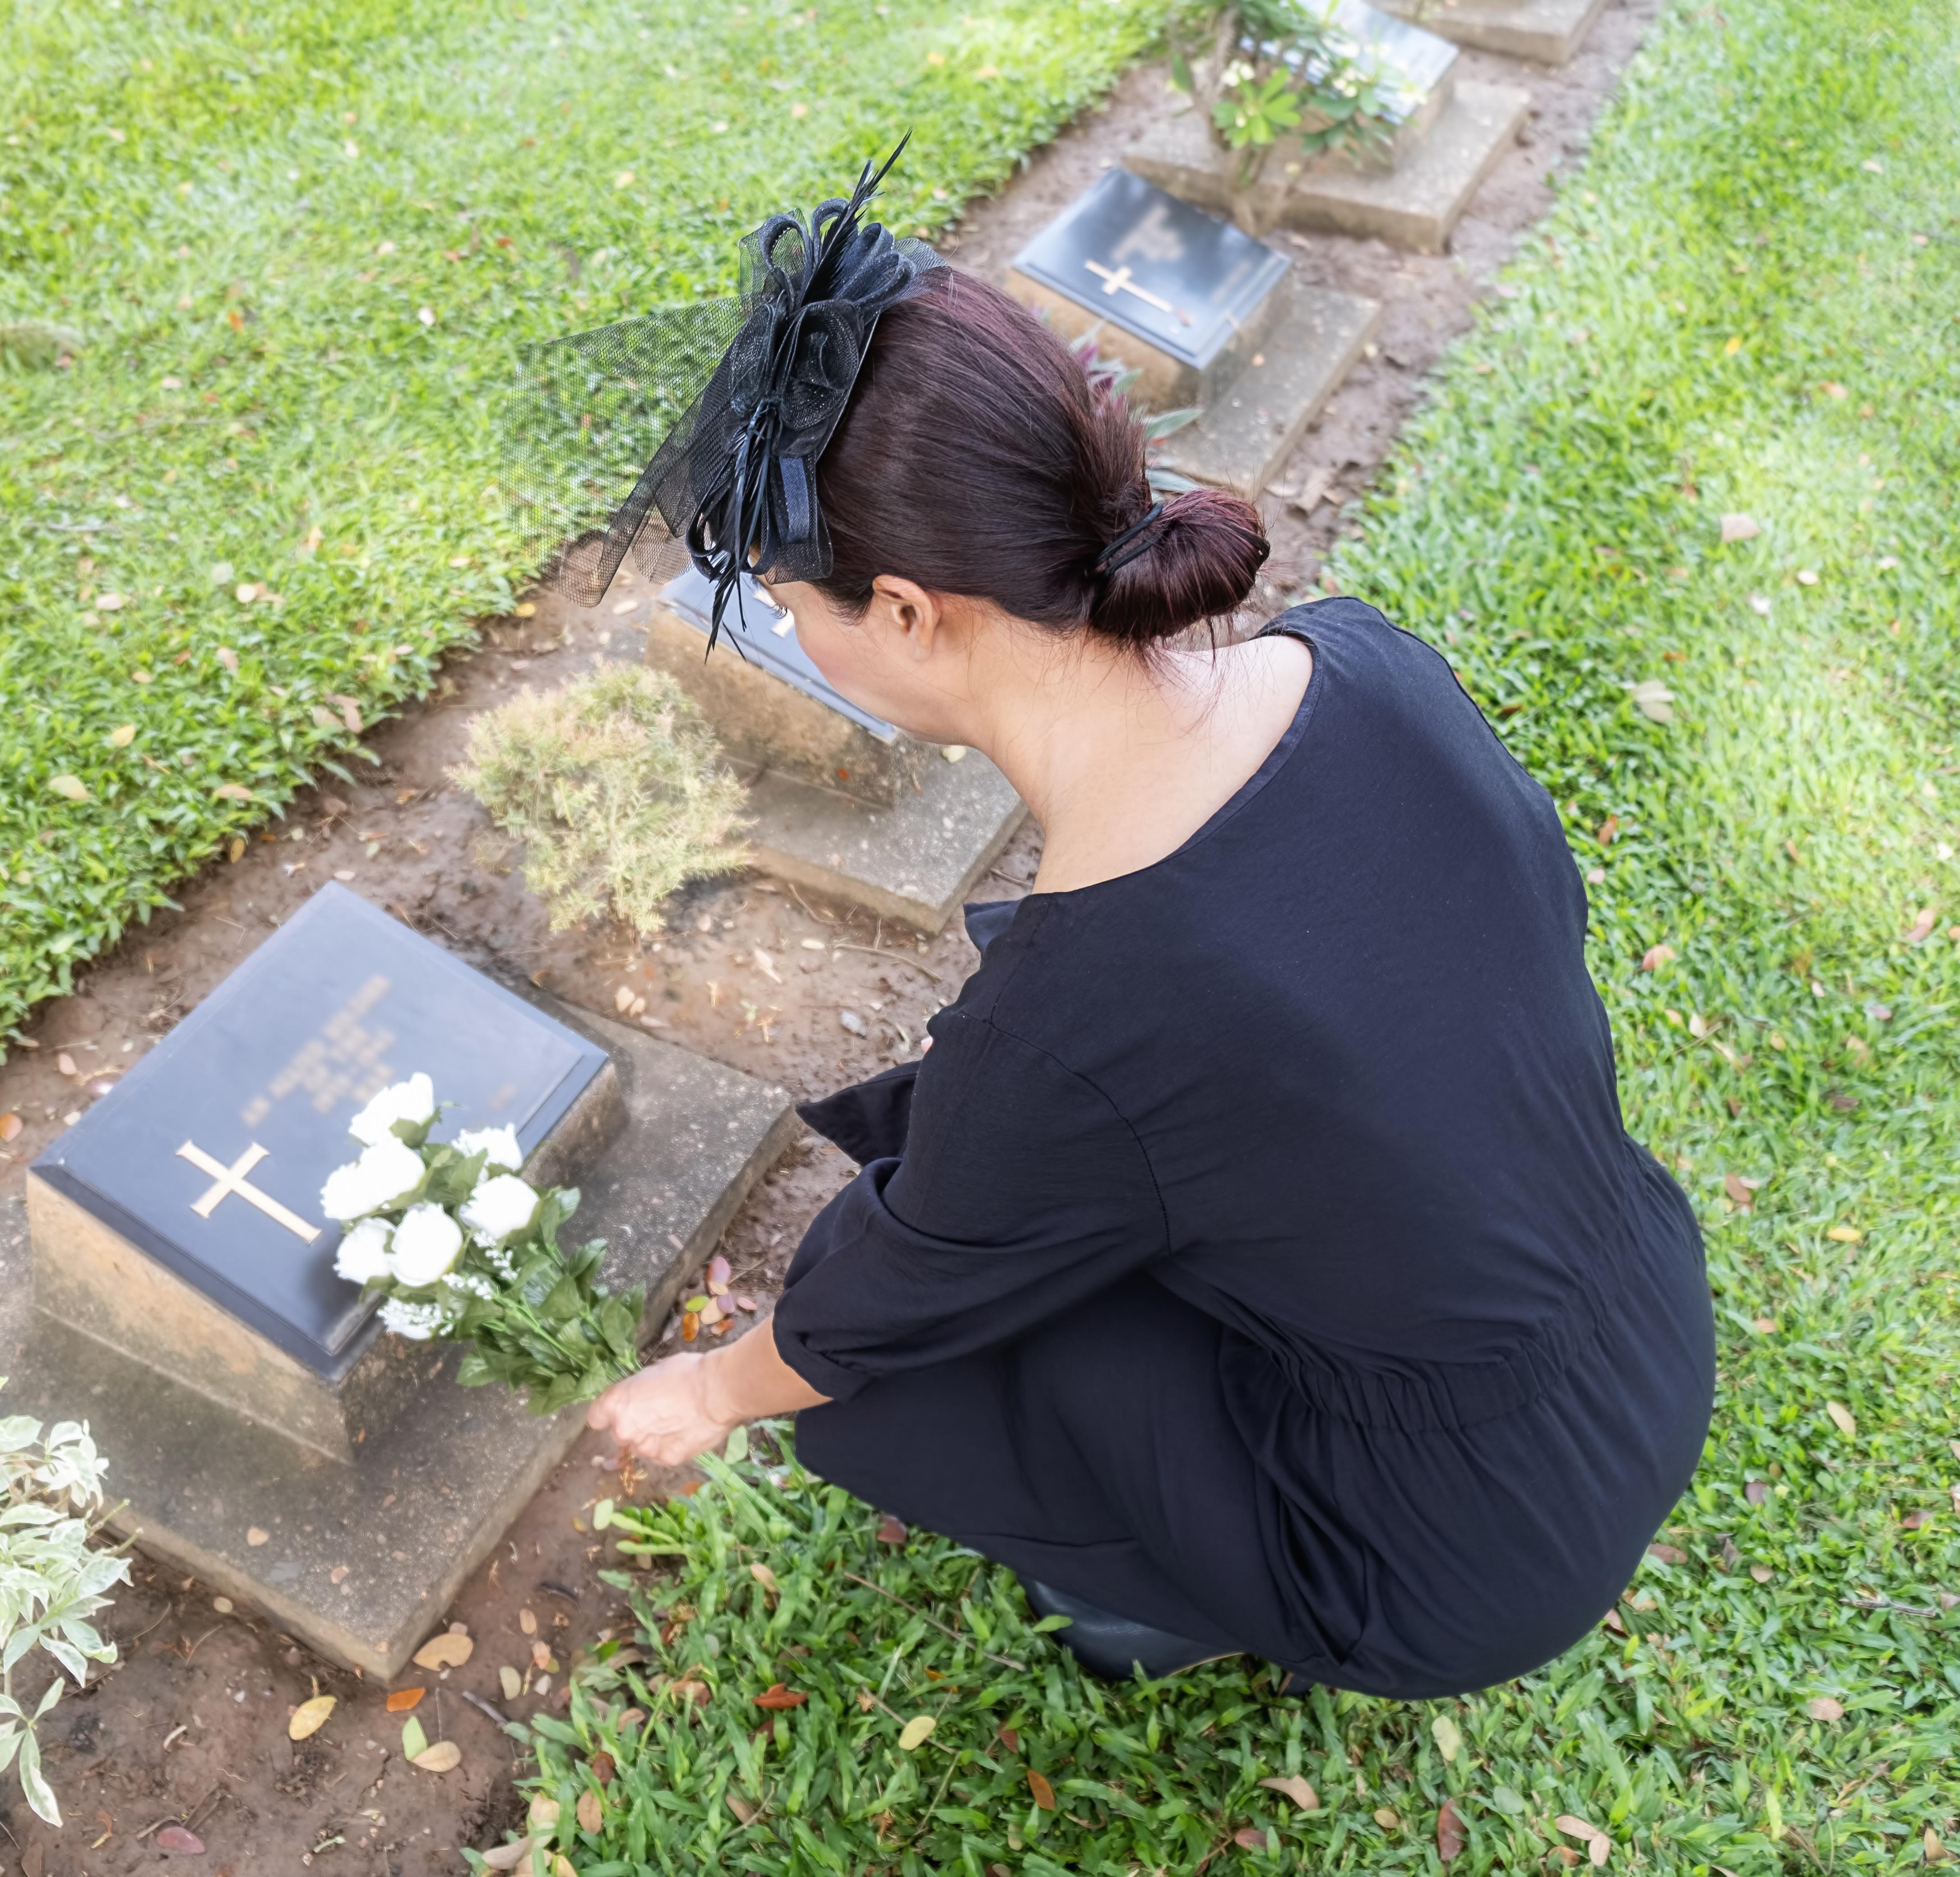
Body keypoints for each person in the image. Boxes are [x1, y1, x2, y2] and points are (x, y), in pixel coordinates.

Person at [574, 151, 1714, 1700]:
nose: (787, 628)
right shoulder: (1367, 663)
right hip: (1645, 1322)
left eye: (793, 601)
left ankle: (1178, 1598)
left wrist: (711, 1390)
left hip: (1451, 1556)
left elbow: (879, 1307)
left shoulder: (1084, 1009)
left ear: (910, 611)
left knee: (872, 1378)